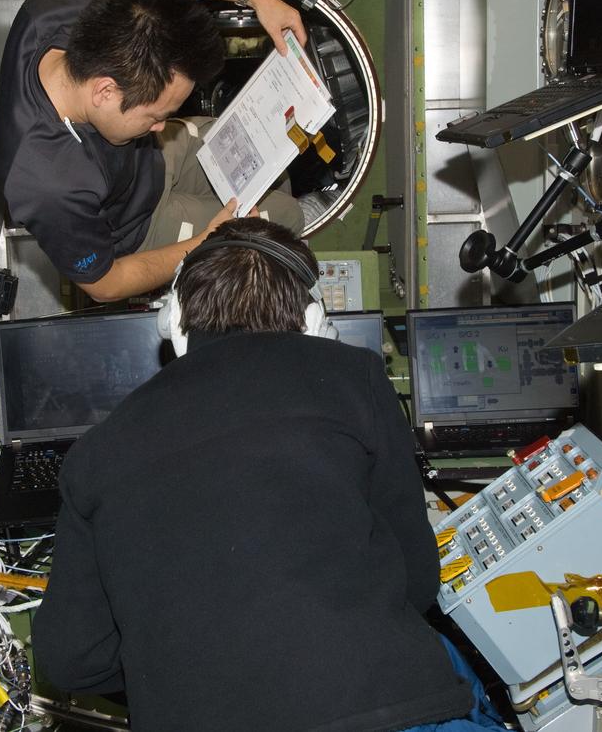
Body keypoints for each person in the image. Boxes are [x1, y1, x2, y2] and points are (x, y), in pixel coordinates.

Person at [32, 217, 507, 732]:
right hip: (383, 708)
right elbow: (416, 581)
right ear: (314, 321)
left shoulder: (95, 452)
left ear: (172, 322)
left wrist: (180, 663)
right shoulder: (355, 379)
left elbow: (71, 659)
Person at [0, 0, 306, 303]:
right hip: (137, 225)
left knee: (276, 169)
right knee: (286, 215)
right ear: (105, 91)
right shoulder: (44, 182)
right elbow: (105, 284)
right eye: (156, 116)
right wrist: (207, 244)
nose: (162, 127)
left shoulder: (68, 3)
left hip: (150, 162)